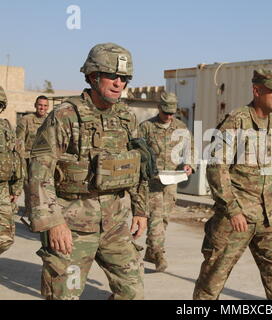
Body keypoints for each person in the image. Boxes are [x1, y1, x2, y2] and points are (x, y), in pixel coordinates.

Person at [29, 43, 148, 300]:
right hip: (71, 226)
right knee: (63, 297)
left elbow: (140, 166)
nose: (119, 83)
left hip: (115, 224)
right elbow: (40, 171)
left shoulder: (127, 118)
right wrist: (53, 222)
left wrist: (140, 210)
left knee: (133, 291)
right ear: (93, 76)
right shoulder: (65, 116)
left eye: (125, 78)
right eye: (112, 76)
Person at [193, 68, 272, 300]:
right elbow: (216, 167)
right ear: (257, 90)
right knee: (213, 278)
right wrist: (232, 209)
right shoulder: (236, 122)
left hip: (269, 216)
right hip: (237, 217)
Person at [138, 92, 195, 272]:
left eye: (172, 113)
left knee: (164, 218)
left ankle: (150, 250)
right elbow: (136, 152)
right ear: (159, 108)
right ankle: (159, 253)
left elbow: (190, 149)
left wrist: (189, 165)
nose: (169, 117)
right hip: (153, 182)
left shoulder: (181, 127)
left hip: (172, 181)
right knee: (155, 217)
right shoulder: (146, 128)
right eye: (166, 113)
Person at [16, 95, 49, 218]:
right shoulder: (26, 120)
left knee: (44, 188)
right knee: (29, 187)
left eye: (45, 106)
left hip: (45, 160)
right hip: (28, 159)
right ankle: (30, 213)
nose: (42, 108)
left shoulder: (51, 120)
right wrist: (21, 160)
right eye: (40, 105)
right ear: (35, 105)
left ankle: (42, 213)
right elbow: (19, 141)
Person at [0, 86, 24, 255]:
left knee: (5, 238)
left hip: (3, 188)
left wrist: (16, 186)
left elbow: (16, 157)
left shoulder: (6, 127)